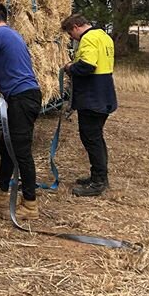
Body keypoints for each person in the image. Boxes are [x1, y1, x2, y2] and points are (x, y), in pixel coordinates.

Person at [0, 3, 42, 220]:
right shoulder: (13, 35)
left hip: (22, 99)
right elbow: (6, 70)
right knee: (6, 144)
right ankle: (1, 193)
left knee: (21, 151)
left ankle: (30, 205)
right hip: (27, 96)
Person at [61, 14, 117, 196]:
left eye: (71, 33)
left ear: (77, 26)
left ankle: (98, 183)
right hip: (105, 93)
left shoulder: (89, 38)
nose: (71, 37)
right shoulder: (103, 36)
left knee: (91, 139)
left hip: (93, 96)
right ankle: (98, 176)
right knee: (96, 138)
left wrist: (70, 68)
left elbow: (87, 66)